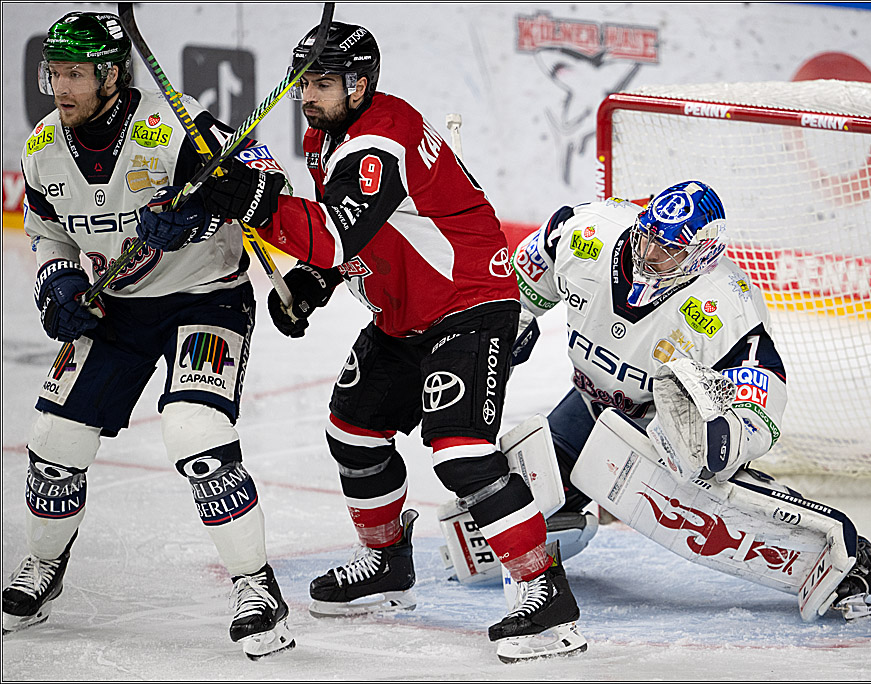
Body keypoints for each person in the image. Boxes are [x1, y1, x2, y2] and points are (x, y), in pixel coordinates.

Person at [196, 22, 586, 662]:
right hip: (405, 314)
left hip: (469, 302)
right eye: (304, 84)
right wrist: (312, 283)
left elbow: (332, 232)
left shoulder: (381, 138)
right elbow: (357, 237)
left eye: (322, 84)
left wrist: (263, 205)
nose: (308, 97)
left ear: (361, 82)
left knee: (460, 453)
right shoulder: (329, 131)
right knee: (353, 431)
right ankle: (387, 566)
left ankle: (547, 599)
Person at [3, 11, 295, 660]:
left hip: (206, 298)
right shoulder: (44, 147)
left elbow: (267, 183)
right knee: (54, 442)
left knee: (197, 432)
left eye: (76, 73)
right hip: (121, 308)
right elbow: (47, 230)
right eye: (54, 72)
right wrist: (56, 284)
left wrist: (197, 212)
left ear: (112, 74)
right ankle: (44, 566)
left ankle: (256, 586)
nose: (60, 87)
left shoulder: (177, 123)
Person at [509, 181, 871, 621]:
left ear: (702, 254)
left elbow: (762, 384)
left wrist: (728, 436)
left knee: (703, 491)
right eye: (648, 238)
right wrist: (503, 325)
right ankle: (566, 510)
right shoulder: (588, 232)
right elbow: (520, 278)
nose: (649, 256)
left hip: (658, 424)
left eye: (670, 250)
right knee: (504, 517)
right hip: (588, 404)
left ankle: (852, 557)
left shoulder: (726, 303)